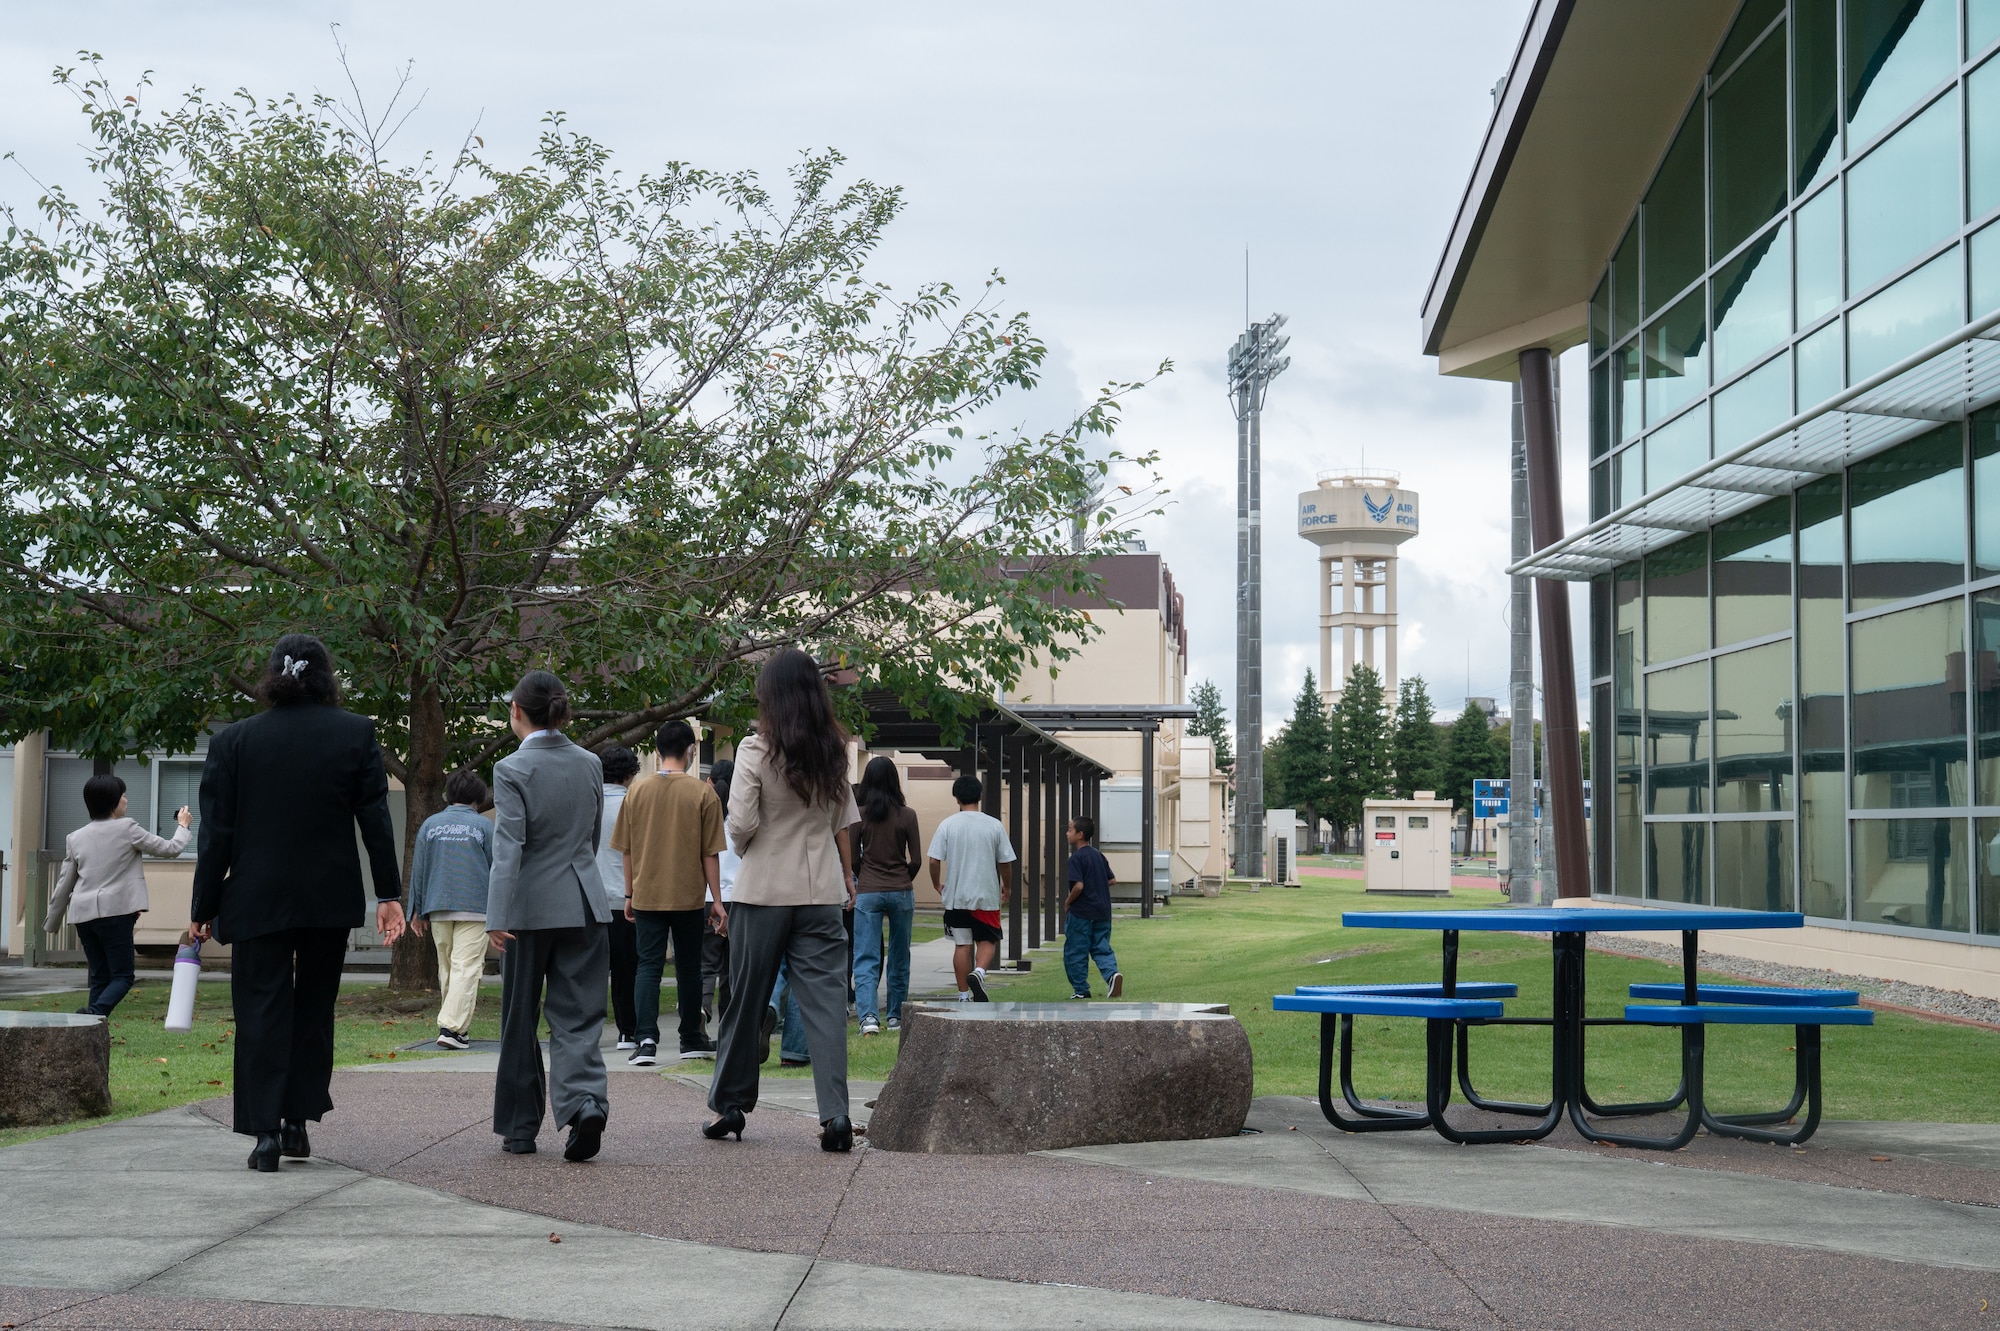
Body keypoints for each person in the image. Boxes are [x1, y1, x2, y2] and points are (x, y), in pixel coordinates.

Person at [191, 634, 405, 1174]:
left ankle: (263, 1133)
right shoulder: (356, 733)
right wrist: (389, 894)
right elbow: (376, 821)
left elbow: (216, 833)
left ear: (273, 676)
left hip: (255, 894)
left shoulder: (235, 741)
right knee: (313, 1008)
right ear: (327, 677)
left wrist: (203, 904)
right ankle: (297, 1122)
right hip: (327, 894)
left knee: (260, 1009)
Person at [706, 648, 859, 1150]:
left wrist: (750, 848)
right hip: (820, 892)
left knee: (745, 999)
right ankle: (835, 1116)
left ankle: (731, 1105)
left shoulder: (755, 750)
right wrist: (846, 877)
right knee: (825, 1007)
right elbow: (842, 821)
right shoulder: (833, 749)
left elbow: (743, 823)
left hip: (764, 890)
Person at [485, 670, 612, 1162]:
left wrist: (496, 914)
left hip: (526, 909)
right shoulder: (590, 763)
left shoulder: (511, 769)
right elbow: (591, 839)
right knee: (579, 1015)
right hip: (583, 901)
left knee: (520, 1017)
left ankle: (520, 1128)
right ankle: (584, 1104)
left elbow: (509, 848)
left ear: (517, 711)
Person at [611, 720, 725, 1065]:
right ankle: (691, 1036)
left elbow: (626, 851)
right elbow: (710, 853)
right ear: (691, 750)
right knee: (690, 968)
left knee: (648, 966)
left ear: (657, 751)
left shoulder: (637, 792)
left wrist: (629, 895)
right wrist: (717, 900)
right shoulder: (703, 793)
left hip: (647, 894)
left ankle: (645, 1039)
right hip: (689, 895)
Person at [47, 775, 192, 1018]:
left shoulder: (75, 837)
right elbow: (170, 849)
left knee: (99, 976)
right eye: (123, 795)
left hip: (83, 916)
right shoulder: (127, 828)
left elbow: (65, 883)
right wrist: (183, 826)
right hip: (116, 913)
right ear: (112, 801)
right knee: (123, 977)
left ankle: (90, 1030)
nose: (126, 799)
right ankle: (93, 1014)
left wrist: (52, 920)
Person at [406, 770, 495, 1050]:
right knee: (466, 968)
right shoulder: (484, 826)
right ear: (479, 799)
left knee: (448, 968)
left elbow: (418, 869)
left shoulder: (430, 825)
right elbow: (497, 868)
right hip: (476, 906)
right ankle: (452, 1028)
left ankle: (455, 1028)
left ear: (448, 795)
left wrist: (415, 910)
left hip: (437, 905)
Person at [848, 756, 920, 1035]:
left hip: (868, 891)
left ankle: (868, 1017)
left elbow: (853, 858)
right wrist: (902, 879)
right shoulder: (908, 814)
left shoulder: (859, 815)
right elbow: (915, 860)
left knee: (865, 957)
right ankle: (895, 1016)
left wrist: (865, 875)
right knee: (900, 955)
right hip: (901, 890)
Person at [927, 775, 1014, 1002]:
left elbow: (934, 860)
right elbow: (1005, 862)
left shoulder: (947, 825)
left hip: (956, 897)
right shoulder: (994, 825)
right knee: (987, 942)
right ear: (980, 796)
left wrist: (937, 884)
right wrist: (1007, 887)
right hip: (985, 896)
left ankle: (963, 995)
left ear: (956, 798)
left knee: (962, 945)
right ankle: (980, 972)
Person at [595, 745, 643, 1050]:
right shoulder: (635, 805)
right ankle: (628, 1030)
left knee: (591, 971)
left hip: (591, 900)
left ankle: (588, 1029)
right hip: (628, 899)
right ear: (630, 774)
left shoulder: (587, 804)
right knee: (629, 970)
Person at [1061, 814, 1124, 1000]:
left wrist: (1068, 901)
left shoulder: (1076, 859)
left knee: (1075, 951)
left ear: (1080, 834)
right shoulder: (1098, 855)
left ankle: (1081, 990)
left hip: (1082, 913)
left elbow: (1078, 886)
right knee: (1101, 947)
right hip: (1102, 911)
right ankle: (1112, 975)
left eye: (1070, 829)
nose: (1067, 833)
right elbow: (1112, 880)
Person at [700, 758, 738, 1027]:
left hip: (707, 899)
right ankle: (729, 1020)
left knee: (706, 962)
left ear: (709, 781)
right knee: (732, 966)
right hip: (739, 898)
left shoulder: (702, 817)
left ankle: (701, 1006)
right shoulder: (742, 820)